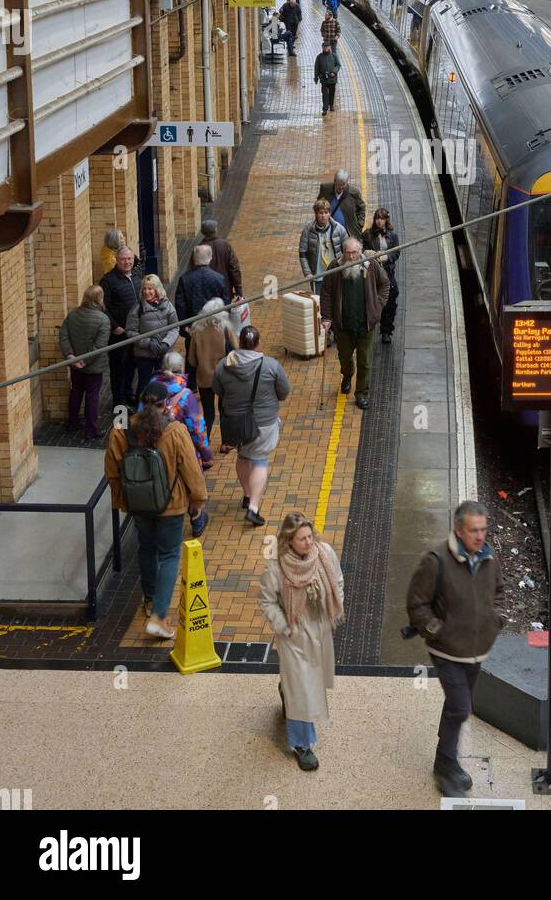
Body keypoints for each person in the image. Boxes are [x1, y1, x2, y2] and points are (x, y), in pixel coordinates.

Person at [406, 501, 506, 797]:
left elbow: (499, 592)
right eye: (474, 530)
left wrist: (497, 619)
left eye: (483, 529)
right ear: (459, 531)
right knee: (461, 707)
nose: (480, 536)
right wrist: (437, 629)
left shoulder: (489, 558)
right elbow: (416, 603)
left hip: (477, 649)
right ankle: (445, 764)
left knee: (455, 707)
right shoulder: (435, 561)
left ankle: (445, 762)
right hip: (447, 650)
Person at [105, 381, 207, 640]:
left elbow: (112, 471)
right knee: (170, 555)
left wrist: (122, 500)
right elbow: (191, 471)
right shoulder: (175, 430)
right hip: (170, 506)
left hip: (138, 505)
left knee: (147, 548)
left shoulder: (121, 429)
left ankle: (150, 601)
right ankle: (159, 616)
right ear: (165, 405)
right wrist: (198, 501)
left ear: (141, 401)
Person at [258, 513, 344, 772]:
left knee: (306, 682)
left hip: (319, 629)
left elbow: (338, 580)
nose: (308, 542)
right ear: (289, 541)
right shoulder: (277, 568)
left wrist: (334, 605)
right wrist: (285, 627)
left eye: (310, 536)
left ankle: (287, 689)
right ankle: (302, 745)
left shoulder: (324, 553)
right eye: (302, 538)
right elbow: (266, 601)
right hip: (294, 634)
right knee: (303, 691)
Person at [212, 325, 290, 527]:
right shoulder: (270, 365)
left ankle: (247, 494)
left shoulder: (223, 365)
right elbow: (284, 391)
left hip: (236, 423)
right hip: (263, 423)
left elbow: (217, 389)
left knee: (243, 455)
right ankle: (254, 508)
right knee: (260, 460)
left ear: (240, 342)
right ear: (257, 343)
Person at [320, 238, 390, 410]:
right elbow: (326, 293)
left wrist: (377, 306)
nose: (351, 257)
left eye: (354, 253)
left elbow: (385, 284)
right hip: (343, 326)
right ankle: (347, 374)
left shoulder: (370, 265)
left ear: (360, 251)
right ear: (343, 253)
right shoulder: (336, 268)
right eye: (348, 253)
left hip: (365, 325)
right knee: (344, 357)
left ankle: (361, 394)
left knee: (365, 362)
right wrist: (327, 317)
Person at [59, 285, 111, 440]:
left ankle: (73, 422)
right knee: (92, 395)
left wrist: (71, 356)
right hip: (93, 366)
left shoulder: (73, 315)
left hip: (75, 364)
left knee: (76, 391)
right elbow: (100, 346)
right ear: (99, 299)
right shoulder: (103, 320)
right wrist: (85, 361)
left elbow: (63, 336)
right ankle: (91, 429)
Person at [175, 244, 230, 389]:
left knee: (191, 356)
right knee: (214, 355)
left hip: (192, 328)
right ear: (210, 258)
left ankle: (191, 385)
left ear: (194, 258)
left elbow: (180, 305)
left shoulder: (185, 279)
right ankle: (217, 381)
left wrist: (184, 327)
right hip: (214, 328)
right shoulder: (218, 278)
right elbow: (226, 304)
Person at [158, 350, 212, 494]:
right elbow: (197, 429)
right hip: (180, 450)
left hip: (155, 450)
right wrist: (206, 454)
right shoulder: (185, 395)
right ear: (181, 368)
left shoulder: (150, 388)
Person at [188, 298, 238, 445]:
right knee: (224, 410)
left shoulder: (197, 331)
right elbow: (235, 351)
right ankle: (226, 443)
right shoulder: (225, 329)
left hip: (204, 377)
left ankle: (205, 442)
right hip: (224, 376)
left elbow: (191, 360)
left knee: (208, 412)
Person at [100, 247, 143, 409]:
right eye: (123, 259)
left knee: (132, 364)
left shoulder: (137, 276)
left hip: (135, 330)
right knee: (118, 366)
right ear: (116, 260)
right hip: (119, 333)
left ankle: (128, 393)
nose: (127, 262)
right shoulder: (108, 281)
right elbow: (104, 307)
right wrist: (115, 326)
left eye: (130, 259)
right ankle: (119, 399)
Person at [125, 275, 180, 401]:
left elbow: (175, 327)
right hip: (144, 355)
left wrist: (166, 343)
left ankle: (163, 413)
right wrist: (148, 343)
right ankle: (142, 412)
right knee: (144, 385)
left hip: (163, 352)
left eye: (150, 288)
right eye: (144, 288)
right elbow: (130, 332)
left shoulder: (167, 305)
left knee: (164, 384)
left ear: (157, 289)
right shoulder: (137, 308)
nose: (146, 292)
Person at [362, 208, 400, 344]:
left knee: (391, 300)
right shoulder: (367, 234)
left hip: (387, 272)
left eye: (382, 218)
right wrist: (367, 253)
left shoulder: (393, 236)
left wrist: (387, 257)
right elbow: (361, 250)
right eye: (377, 218)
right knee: (370, 299)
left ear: (386, 220)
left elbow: (396, 253)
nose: (379, 221)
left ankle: (386, 331)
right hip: (372, 272)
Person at [299, 199, 348, 296]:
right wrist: (308, 273)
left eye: (326, 212)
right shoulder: (308, 231)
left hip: (336, 273)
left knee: (337, 301)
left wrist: (345, 267)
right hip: (317, 276)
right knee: (320, 304)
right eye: (321, 213)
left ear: (329, 213)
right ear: (316, 214)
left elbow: (348, 248)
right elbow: (303, 254)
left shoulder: (339, 229)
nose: (323, 215)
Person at [188, 219, 242, 299]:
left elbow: (191, 272)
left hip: (206, 294)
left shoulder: (197, 250)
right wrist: (239, 291)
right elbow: (234, 269)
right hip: (225, 290)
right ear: (215, 230)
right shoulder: (225, 245)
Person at [318, 168, 365, 240]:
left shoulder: (354, 192)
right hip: (329, 230)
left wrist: (360, 223)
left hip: (348, 231)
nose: (341, 187)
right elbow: (318, 205)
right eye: (339, 184)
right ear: (334, 181)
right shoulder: (325, 189)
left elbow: (361, 207)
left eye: (343, 184)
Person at [313, 39, 341, 117]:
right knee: (325, 94)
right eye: (324, 47)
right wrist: (316, 77)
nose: (325, 48)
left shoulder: (334, 56)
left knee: (332, 93)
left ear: (329, 47)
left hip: (332, 78)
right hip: (323, 79)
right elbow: (316, 68)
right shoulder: (319, 57)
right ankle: (325, 109)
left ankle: (331, 105)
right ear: (322, 47)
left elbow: (338, 65)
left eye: (327, 47)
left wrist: (334, 72)